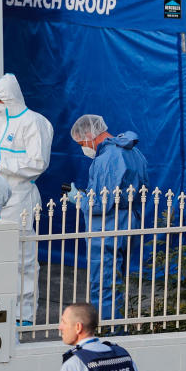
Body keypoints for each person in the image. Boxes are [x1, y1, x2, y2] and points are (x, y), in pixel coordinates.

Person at [66, 115, 148, 323]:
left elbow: (99, 203)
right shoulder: (133, 151)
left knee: (103, 284)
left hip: (107, 227)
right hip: (129, 222)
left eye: (82, 143)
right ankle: (119, 325)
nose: (83, 148)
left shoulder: (106, 159)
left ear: (89, 134)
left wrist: (79, 198)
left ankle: (108, 330)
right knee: (118, 281)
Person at [0, 73, 53, 326]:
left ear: (10, 97)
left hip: (20, 195)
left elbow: (38, 163)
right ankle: (0, 305)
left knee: (22, 257)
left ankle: (24, 313)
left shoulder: (34, 123)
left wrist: (0, 162)